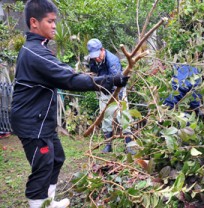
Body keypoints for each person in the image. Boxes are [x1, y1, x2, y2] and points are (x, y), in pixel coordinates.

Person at [10, 1, 129, 208]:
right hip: (32, 121)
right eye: (50, 21)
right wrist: (111, 81)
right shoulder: (35, 53)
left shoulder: (38, 49)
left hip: (41, 118)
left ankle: (49, 201)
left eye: (55, 21)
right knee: (43, 166)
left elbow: (68, 75)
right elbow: (70, 79)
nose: (55, 25)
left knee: (57, 158)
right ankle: (38, 205)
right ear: (34, 23)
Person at [87, 38, 136, 155]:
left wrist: (117, 99)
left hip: (117, 91)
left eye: (98, 55)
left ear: (102, 50)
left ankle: (128, 145)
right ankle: (108, 145)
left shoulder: (112, 61)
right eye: (94, 56)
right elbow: (94, 73)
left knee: (123, 117)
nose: (97, 58)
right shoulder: (93, 60)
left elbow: (117, 82)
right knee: (105, 117)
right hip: (104, 91)